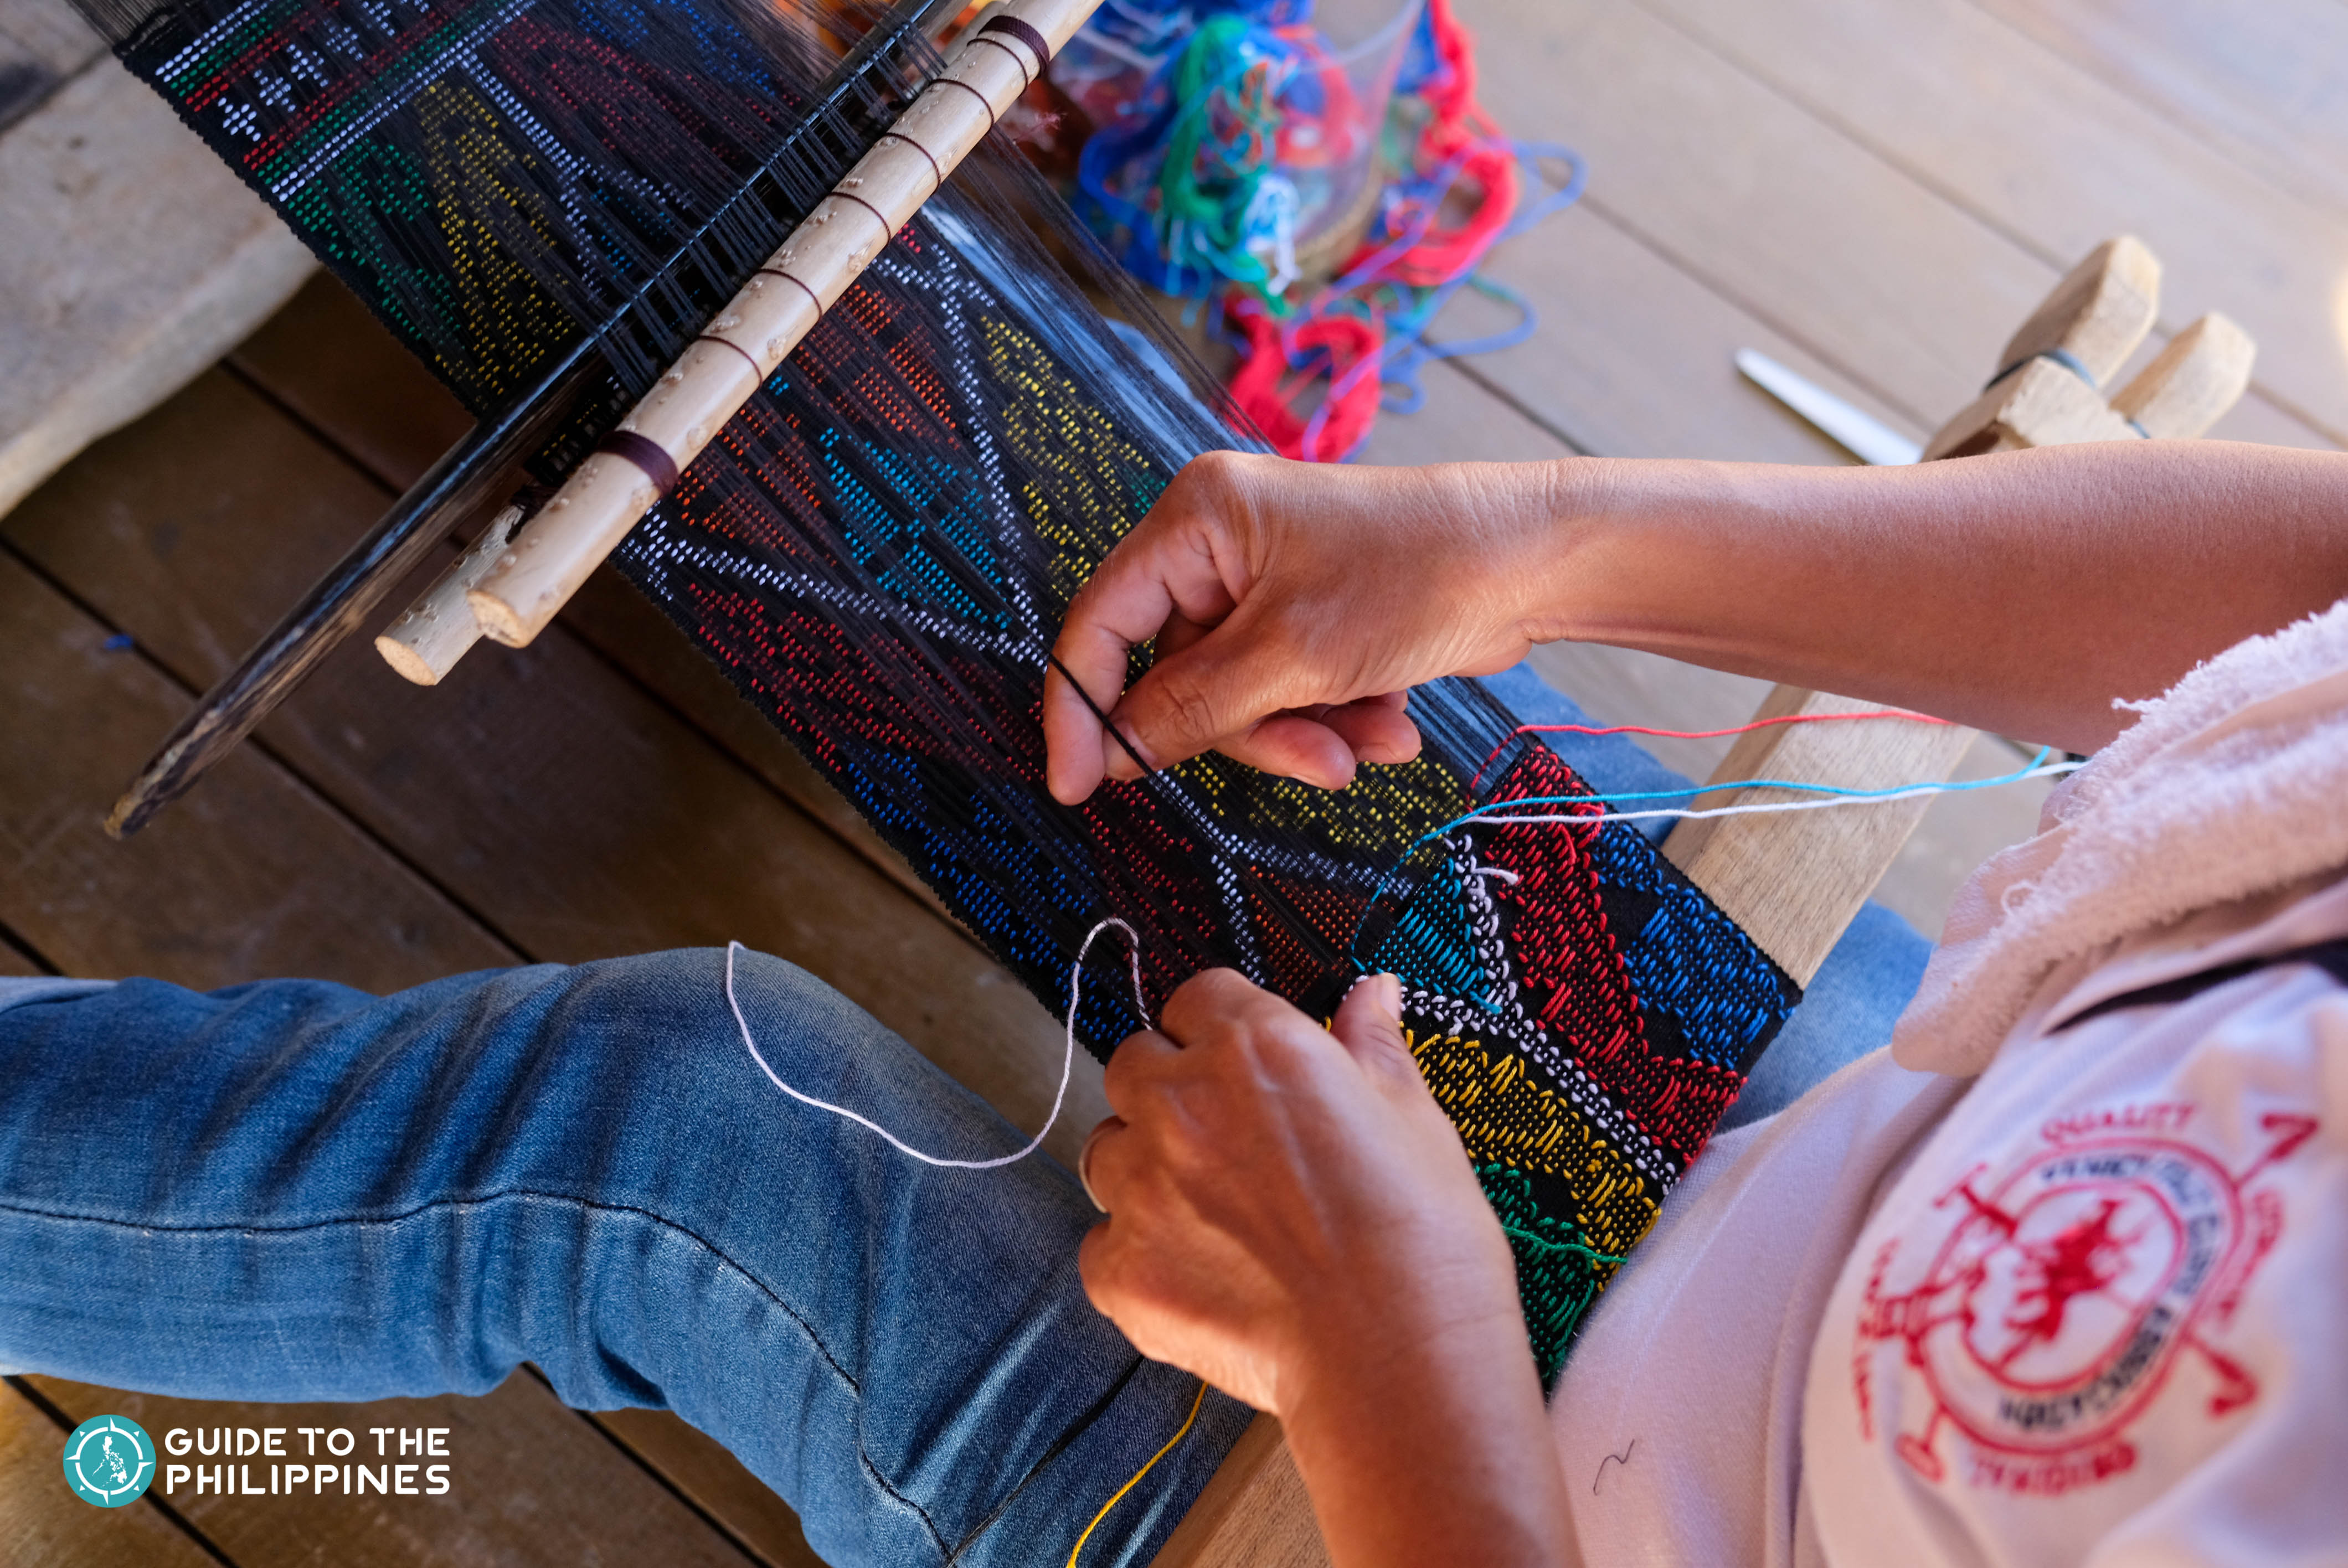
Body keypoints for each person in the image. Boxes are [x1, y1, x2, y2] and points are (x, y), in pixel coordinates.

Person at [4, 439, 2343, 1565]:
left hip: (1430, 1504)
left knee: (671, 1134)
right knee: (1464, 795)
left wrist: (1387, 1355)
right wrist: (1540, 547)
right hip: (1842, 1190)